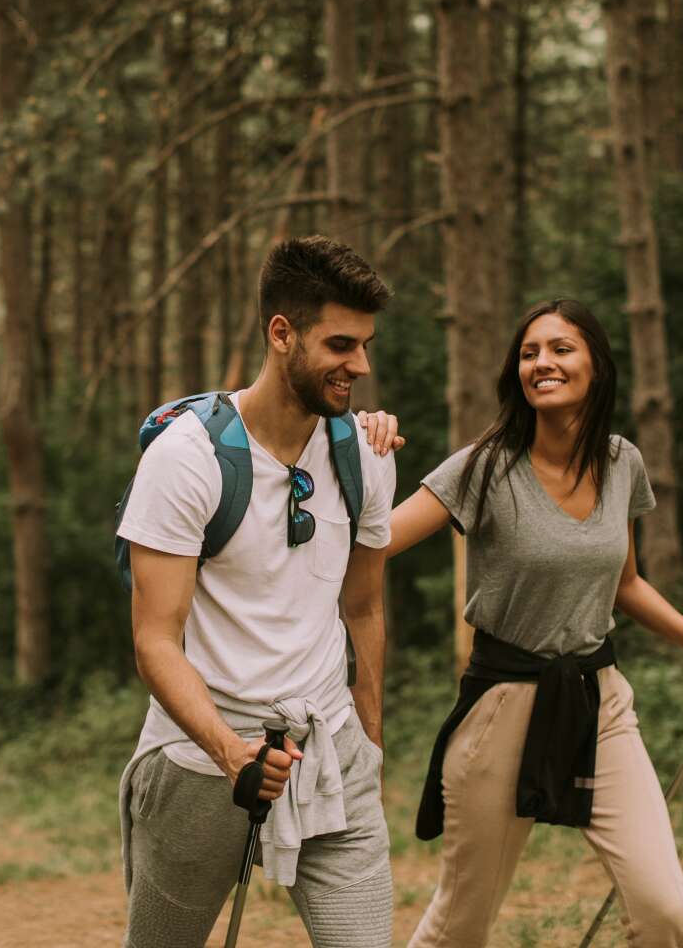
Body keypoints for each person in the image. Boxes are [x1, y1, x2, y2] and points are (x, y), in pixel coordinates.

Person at [380, 298, 683, 948]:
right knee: (460, 926)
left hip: (600, 700)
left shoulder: (622, 463)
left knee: (664, 909)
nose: (542, 363)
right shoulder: (484, 466)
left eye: (561, 348)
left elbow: (625, 584)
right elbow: (378, 538)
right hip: (500, 708)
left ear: (596, 364)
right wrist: (364, 463)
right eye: (531, 352)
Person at [117, 236, 401, 948]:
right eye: (341, 344)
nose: (359, 366)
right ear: (282, 333)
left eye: (365, 346)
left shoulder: (365, 455)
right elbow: (156, 638)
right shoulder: (187, 459)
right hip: (202, 759)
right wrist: (229, 752)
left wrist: (368, 740)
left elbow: (363, 606)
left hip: (331, 751)